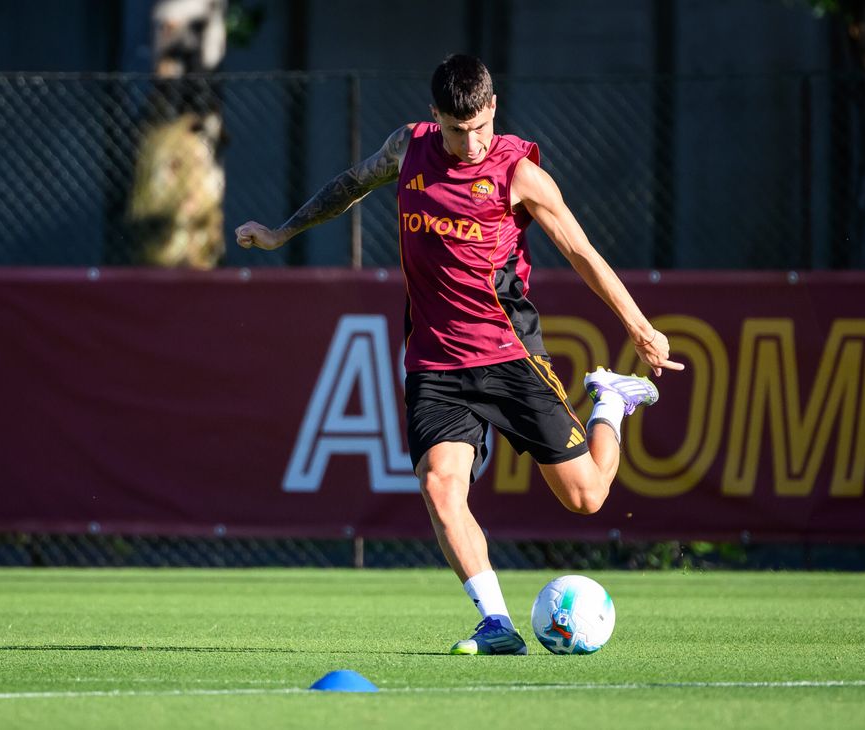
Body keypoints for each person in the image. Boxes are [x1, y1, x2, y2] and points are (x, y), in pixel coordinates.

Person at [235, 54, 684, 655]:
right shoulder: (407, 149)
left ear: (493, 107)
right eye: (454, 129)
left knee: (586, 497)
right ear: (434, 117)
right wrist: (281, 233)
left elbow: (581, 252)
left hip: (508, 355)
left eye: (478, 127)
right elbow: (348, 186)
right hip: (434, 363)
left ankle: (611, 401)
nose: (469, 142)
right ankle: (495, 623)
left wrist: (640, 327)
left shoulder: (519, 175)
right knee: (440, 487)